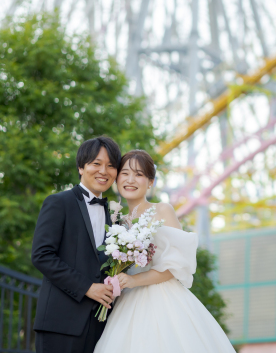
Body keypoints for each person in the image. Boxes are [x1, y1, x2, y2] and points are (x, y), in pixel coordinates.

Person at [93, 149, 235, 353]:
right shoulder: (115, 221)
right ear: (117, 179)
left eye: (139, 174)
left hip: (162, 300)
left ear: (150, 182)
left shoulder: (162, 210)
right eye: (125, 173)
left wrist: (133, 281)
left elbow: (176, 265)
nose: (130, 179)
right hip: (126, 303)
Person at [32, 136, 120, 353]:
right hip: (61, 323)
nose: (103, 171)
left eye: (111, 166)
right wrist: (88, 288)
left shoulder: (116, 217)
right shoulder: (59, 202)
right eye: (96, 164)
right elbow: (42, 255)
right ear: (81, 167)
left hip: (102, 327)